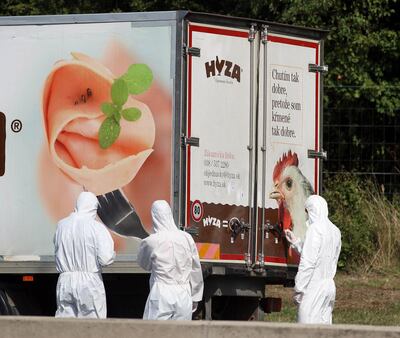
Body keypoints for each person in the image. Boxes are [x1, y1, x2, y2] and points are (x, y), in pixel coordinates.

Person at [137, 200, 203, 320]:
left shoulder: (151, 241)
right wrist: (196, 296)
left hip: (162, 293)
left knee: (154, 332)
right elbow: (195, 269)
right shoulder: (187, 238)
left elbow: (144, 265)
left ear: (154, 217)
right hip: (184, 293)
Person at [54, 191, 115, 318]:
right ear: (94, 208)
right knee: (91, 327)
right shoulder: (96, 227)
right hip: (89, 283)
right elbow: (106, 259)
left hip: (65, 280)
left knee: (63, 326)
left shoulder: (61, 225)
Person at [285, 195, 341, 324]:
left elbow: (308, 263)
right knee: (324, 329)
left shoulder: (315, 229)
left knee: (306, 330)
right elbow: (324, 256)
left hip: (313, 289)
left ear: (312, 210)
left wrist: (299, 289)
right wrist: (296, 242)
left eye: (307, 211)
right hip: (328, 288)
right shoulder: (335, 230)